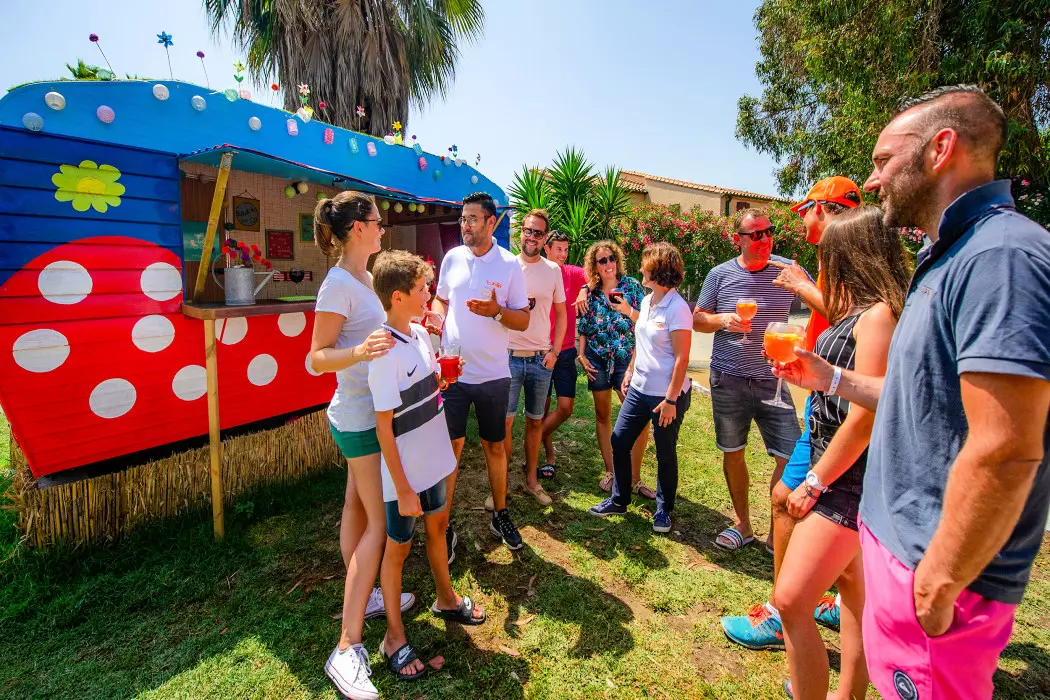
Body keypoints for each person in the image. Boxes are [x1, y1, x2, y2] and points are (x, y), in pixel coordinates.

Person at [773, 86, 1050, 700]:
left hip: (935, 571)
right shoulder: (946, 255)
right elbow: (916, 394)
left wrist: (941, 576)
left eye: (883, 160)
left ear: (940, 149)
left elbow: (1007, 446)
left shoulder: (1000, 257)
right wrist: (830, 377)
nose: (872, 181)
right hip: (899, 548)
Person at [773, 206, 910, 699]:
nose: (825, 266)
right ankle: (849, 693)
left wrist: (814, 482)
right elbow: (846, 385)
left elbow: (866, 417)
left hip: (848, 477)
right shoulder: (864, 311)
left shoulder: (878, 316)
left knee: (791, 601)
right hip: (839, 464)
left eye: (831, 256)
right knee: (852, 587)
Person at [720, 177, 861, 650]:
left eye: (805, 210)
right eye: (755, 233)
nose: (799, 220)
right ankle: (836, 598)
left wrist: (803, 288)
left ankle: (783, 613)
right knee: (816, 505)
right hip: (823, 394)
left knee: (798, 499)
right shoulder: (828, 257)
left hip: (843, 404)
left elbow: (864, 315)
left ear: (824, 209)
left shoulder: (844, 255)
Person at [310, 192, 415, 700]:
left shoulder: (364, 279)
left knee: (355, 504)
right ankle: (347, 646)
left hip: (365, 411)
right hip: (357, 418)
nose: (382, 229)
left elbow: (378, 335)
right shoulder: (337, 285)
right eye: (377, 221)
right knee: (378, 523)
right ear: (358, 228)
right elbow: (316, 358)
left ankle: (365, 593)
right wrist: (359, 350)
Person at [369, 251, 486, 685]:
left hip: (434, 456)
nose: (429, 295)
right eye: (421, 290)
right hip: (404, 471)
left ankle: (446, 598)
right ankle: (394, 637)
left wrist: (442, 380)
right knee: (397, 549)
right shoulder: (383, 351)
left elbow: (423, 388)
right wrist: (401, 488)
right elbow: (384, 428)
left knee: (438, 527)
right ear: (398, 297)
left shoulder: (419, 333)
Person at [692, 209, 806, 551]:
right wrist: (723, 320)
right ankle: (742, 524)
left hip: (774, 379)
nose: (765, 239)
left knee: (790, 455)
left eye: (769, 232)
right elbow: (698, 320)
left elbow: (822, 306)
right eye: (756, 235)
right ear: (738, 239)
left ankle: (776, 531)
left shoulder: (787, 271)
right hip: (728, 377)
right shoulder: (719, 274)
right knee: (733, 451)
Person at [428, 192, 530, 556]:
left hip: (493, 374)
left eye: (472, 219)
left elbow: (523, 319)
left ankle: (500, 514)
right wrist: (437, 315)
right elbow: (442, 299)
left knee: (494, 445)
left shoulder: (509, 265)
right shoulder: (452, 258)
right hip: (452, 372)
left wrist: (496, 312)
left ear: (491, 222)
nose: (465, 225)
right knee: (450, 448)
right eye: (462, 219)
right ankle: (443, 525)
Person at [589, 243, 693, 533]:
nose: (640, 269)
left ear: (659, 270)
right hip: (638, 389)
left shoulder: (678, 308)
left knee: (665, 452)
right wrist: (630, 370)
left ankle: (663, 510)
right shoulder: (647, 301)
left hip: (665, 396)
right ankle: (619, 499)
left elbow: (682, 358)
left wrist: (671, 400)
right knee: (620, 441)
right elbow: (641, 338)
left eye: (646, 265)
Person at [575, 240, 653, 497]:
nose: (608, 264)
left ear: (617, 260)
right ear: (595, 266)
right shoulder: (591, 291)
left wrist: (627, 310)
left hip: (624, 359)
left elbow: (645, 322)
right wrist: (581, 355)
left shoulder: (631, 286)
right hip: (596, 359)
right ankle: (610, 471)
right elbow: (584, 327)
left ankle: (634, 478)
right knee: (602, 416)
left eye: (611, 258)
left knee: (639, 418)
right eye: (602, 260)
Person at [499, 209, 566, 507]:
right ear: (521, 232)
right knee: (505, 424)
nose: (532, 237)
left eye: (538, 233)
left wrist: (555, 351)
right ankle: (500, 487)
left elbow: (562, 314)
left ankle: (531, 482)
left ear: (544, 237)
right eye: (528, 230)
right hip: (509, 357)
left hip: (541, 360)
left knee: (535, 422)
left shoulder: (553, 270)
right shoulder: (507, 266)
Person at [540, 230, 588, 476]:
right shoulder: (537, 271)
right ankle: (548, 456)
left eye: (566, 250)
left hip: (566, 350)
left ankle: (533, 439)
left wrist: (584, 289)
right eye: (558, 249)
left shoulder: (572, 272)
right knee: (542, 408)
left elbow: (595, 276)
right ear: (546, 249)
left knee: (566, 408)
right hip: (541, 350)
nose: (563, 254)